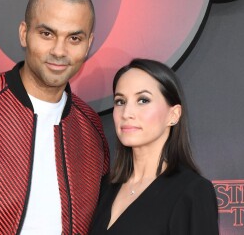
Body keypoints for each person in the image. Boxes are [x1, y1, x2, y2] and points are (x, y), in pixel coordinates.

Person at [0, 0, 109, 234]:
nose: (59, 50)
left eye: (74, 38)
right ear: (24, 33)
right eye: (47, 34)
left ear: (88, 44)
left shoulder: (90, 128)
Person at [90, 58, 219, 235]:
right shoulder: (104, 188)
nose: (127, 113)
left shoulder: (192, 192)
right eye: (120, 101)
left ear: (173, 115)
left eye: (143, 100)